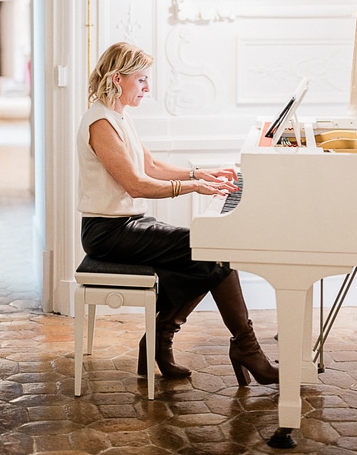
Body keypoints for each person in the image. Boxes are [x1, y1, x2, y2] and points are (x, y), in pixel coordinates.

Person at [77, 42, 278, 384]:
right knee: (212, 252)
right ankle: (242, 347)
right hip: (107, 233)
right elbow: (137, 185)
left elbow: (152, 165)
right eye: (141, 80)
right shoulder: (100, 123)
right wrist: (193, 187)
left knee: (206, 255)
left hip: (128, 224)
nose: (147, 88)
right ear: (116, 79)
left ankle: (159, 342)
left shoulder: (118, 116)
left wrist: (200, 173)